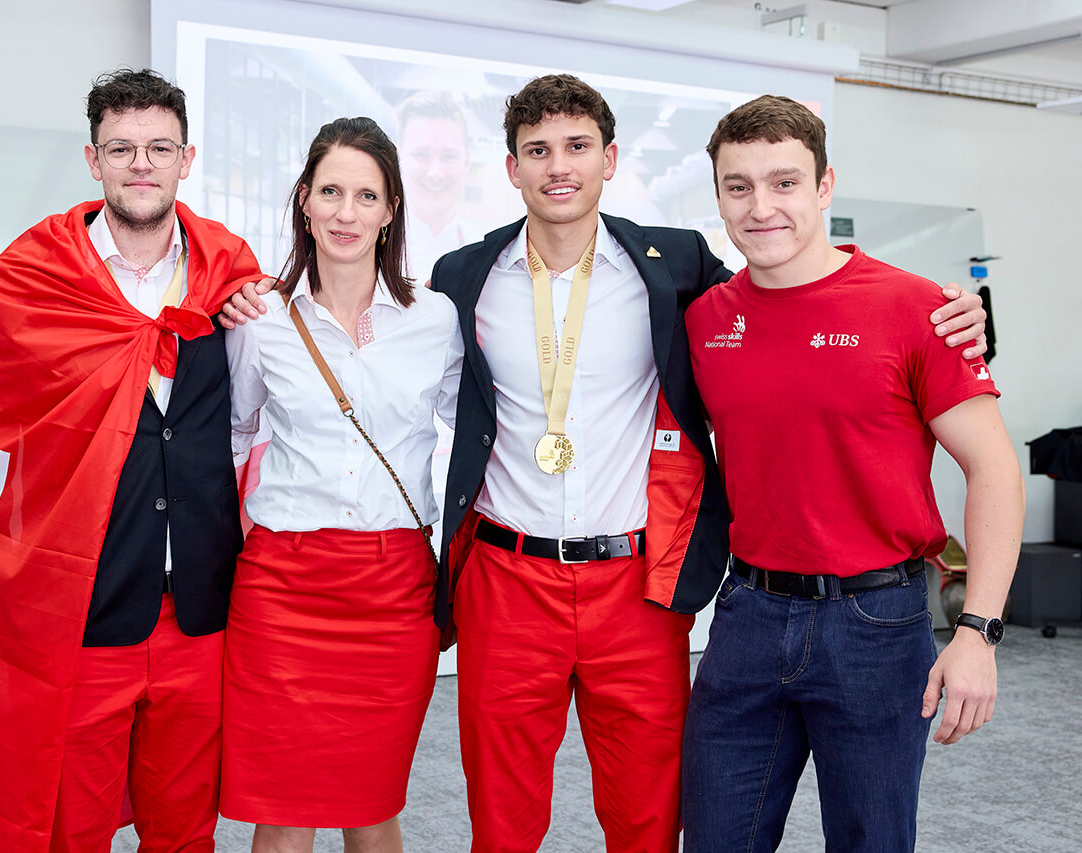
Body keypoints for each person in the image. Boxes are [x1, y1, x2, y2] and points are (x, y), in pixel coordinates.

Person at [219, 74, 987, 853]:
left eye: (578, 147)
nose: (559, 166)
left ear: (610, 158)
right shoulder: (461, 282)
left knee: (648, 817)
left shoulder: (677, 267)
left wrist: (944, 308)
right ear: (512, 167)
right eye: (538, 150)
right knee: (503, 820)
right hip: (506, 580)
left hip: (636, 586)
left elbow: (792, 288)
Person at [681, 95, 1024, 852]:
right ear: (718, 196)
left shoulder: (918, 308)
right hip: (746, 616)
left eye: (784, 182)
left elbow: (996, 469)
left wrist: (979, 631)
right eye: (738, 186)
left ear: (825, 186)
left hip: (877, 623)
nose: (760, 206)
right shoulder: (705, 318)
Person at [0, 68, 263, 852]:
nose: (141, 164)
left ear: (187, 159)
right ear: (93, 160)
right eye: (122, 148)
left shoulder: (232, 275)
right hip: (85, 613)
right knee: (71, 830)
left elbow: (255, 427)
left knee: (185, 832)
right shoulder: (31, 280)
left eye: (159, 147)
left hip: (198, 612)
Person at [219, 116, 463, 853]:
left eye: (366, 195)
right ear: (304, 200)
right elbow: (232, 438)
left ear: (391, 210)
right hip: (282, 588)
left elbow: (485, 436)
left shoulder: (436, 318)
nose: (346, 212)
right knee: (284, 807)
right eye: (331, 191)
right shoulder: (259, 316)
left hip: (392, 593)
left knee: (372, 803)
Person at [396, 90, 472, 279]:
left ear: (466, 163)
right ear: (399, 160)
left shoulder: (490, 256)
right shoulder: (368, 249)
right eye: (421, 155)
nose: (435, 173)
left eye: (449, 156)